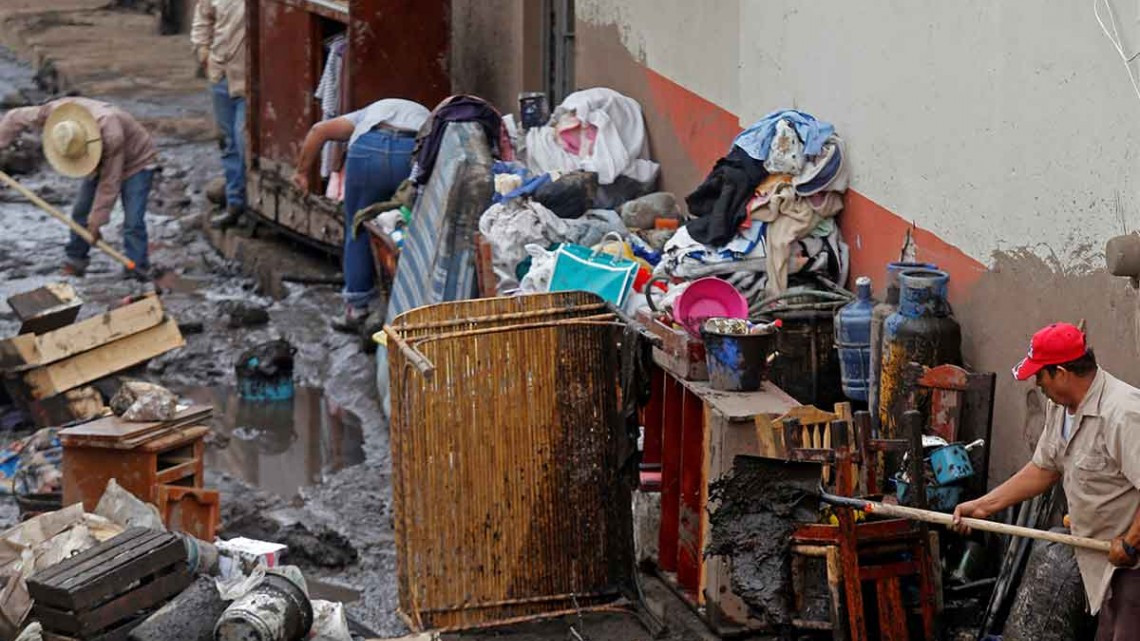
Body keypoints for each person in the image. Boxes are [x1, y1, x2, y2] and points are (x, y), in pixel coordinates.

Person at [952, 323, 1140, 640]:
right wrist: (983, 507)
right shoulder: (1060, 409)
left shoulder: (1123, 413)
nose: (1037, 384)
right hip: (1106, 564)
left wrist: (1131, 542)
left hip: (1133, 566)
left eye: (1041, 375)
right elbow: (1044, 468)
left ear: (1062, 373)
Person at [292, 98, 429, 332]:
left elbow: (319, 130)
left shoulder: (366, 115)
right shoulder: (427, 115)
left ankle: (356, 308)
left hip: (367, 151)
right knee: (410, 229)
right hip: (410, 152)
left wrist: (302, 173)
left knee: (358, 227)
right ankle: (410, 309)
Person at [0, 98, 158, 277]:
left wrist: (96, 223)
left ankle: (137, 267)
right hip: (100, 159)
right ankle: (76, 260)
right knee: (80, 213)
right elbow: (14, 118)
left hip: (138, 162)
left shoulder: (111, 133)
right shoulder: (55, 113)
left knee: (133, 221)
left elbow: (109, 183)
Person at [191, 0, 247, 229]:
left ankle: (246, 203)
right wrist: (203, 52)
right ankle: (235, 203)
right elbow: (202, 19)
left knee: (243, 142)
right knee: (228, 143)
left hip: (249, 77)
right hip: (220, 74)